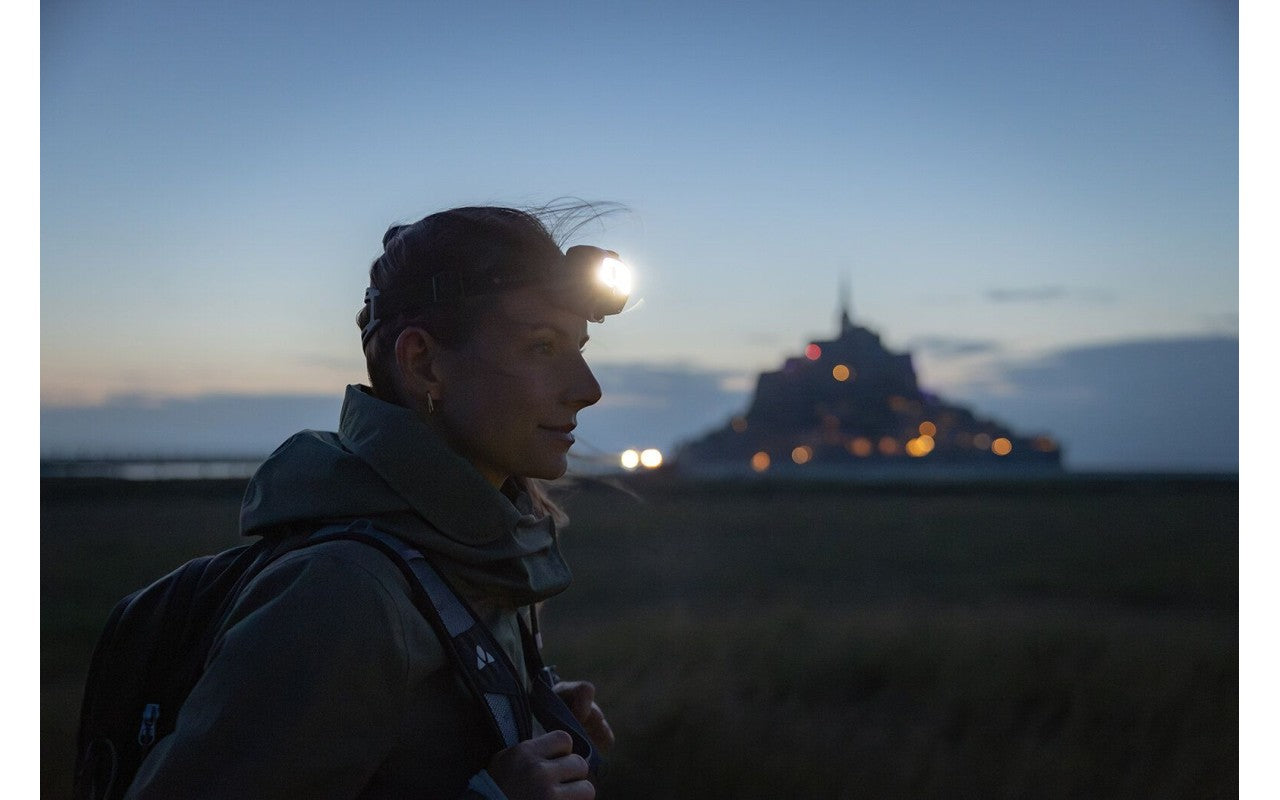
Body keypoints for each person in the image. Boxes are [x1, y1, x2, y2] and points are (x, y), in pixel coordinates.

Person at [124, 205, 624, 799]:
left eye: (580, 349)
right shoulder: (341, 595)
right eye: (542, 348)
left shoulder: (473, 548)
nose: (587, 389)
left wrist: (517, 708)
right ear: (423, 363)